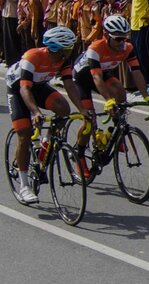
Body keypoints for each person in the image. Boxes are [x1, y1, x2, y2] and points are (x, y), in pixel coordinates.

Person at [5, 26, 88, 204]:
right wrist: (35, 112)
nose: (71, 50)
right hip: (19, 89)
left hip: (39, 86)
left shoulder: (63, 59)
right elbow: (24, 88)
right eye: (68, 47)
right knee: (25, 133)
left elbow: (70, 85)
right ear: (59, 48)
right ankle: (24, 186)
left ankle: (46, 141)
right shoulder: (32, 57)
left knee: (64, 109)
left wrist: (82, 109)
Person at [73, 15, 149, 176]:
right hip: (82, 80)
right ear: (106, 36)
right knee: (89, 120)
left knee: (119, 88)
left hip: (102, 74)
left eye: (124, 38)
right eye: (118, 39)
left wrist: (147, 97)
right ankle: (80, 155)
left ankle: (117, 132)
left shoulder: (127, 48)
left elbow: (137, 72)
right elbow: (96, 78)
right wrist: (108, 101)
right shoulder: (95, 49)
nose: (121, 43)